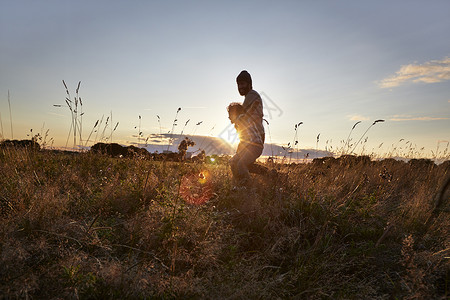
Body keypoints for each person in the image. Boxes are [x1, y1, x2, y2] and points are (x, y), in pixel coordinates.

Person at [228, 70, 266, 186]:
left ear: (249, 84)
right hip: (248, 136)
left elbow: (243, 113)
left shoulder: (252, 95)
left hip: (255, 137)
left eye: (243, 84)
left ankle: (245, 186)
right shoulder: (249, 97)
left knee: (242, 163)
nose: (240, 87)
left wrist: (234, 118)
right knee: (242, 163)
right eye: (238, 84)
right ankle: (270, 175)